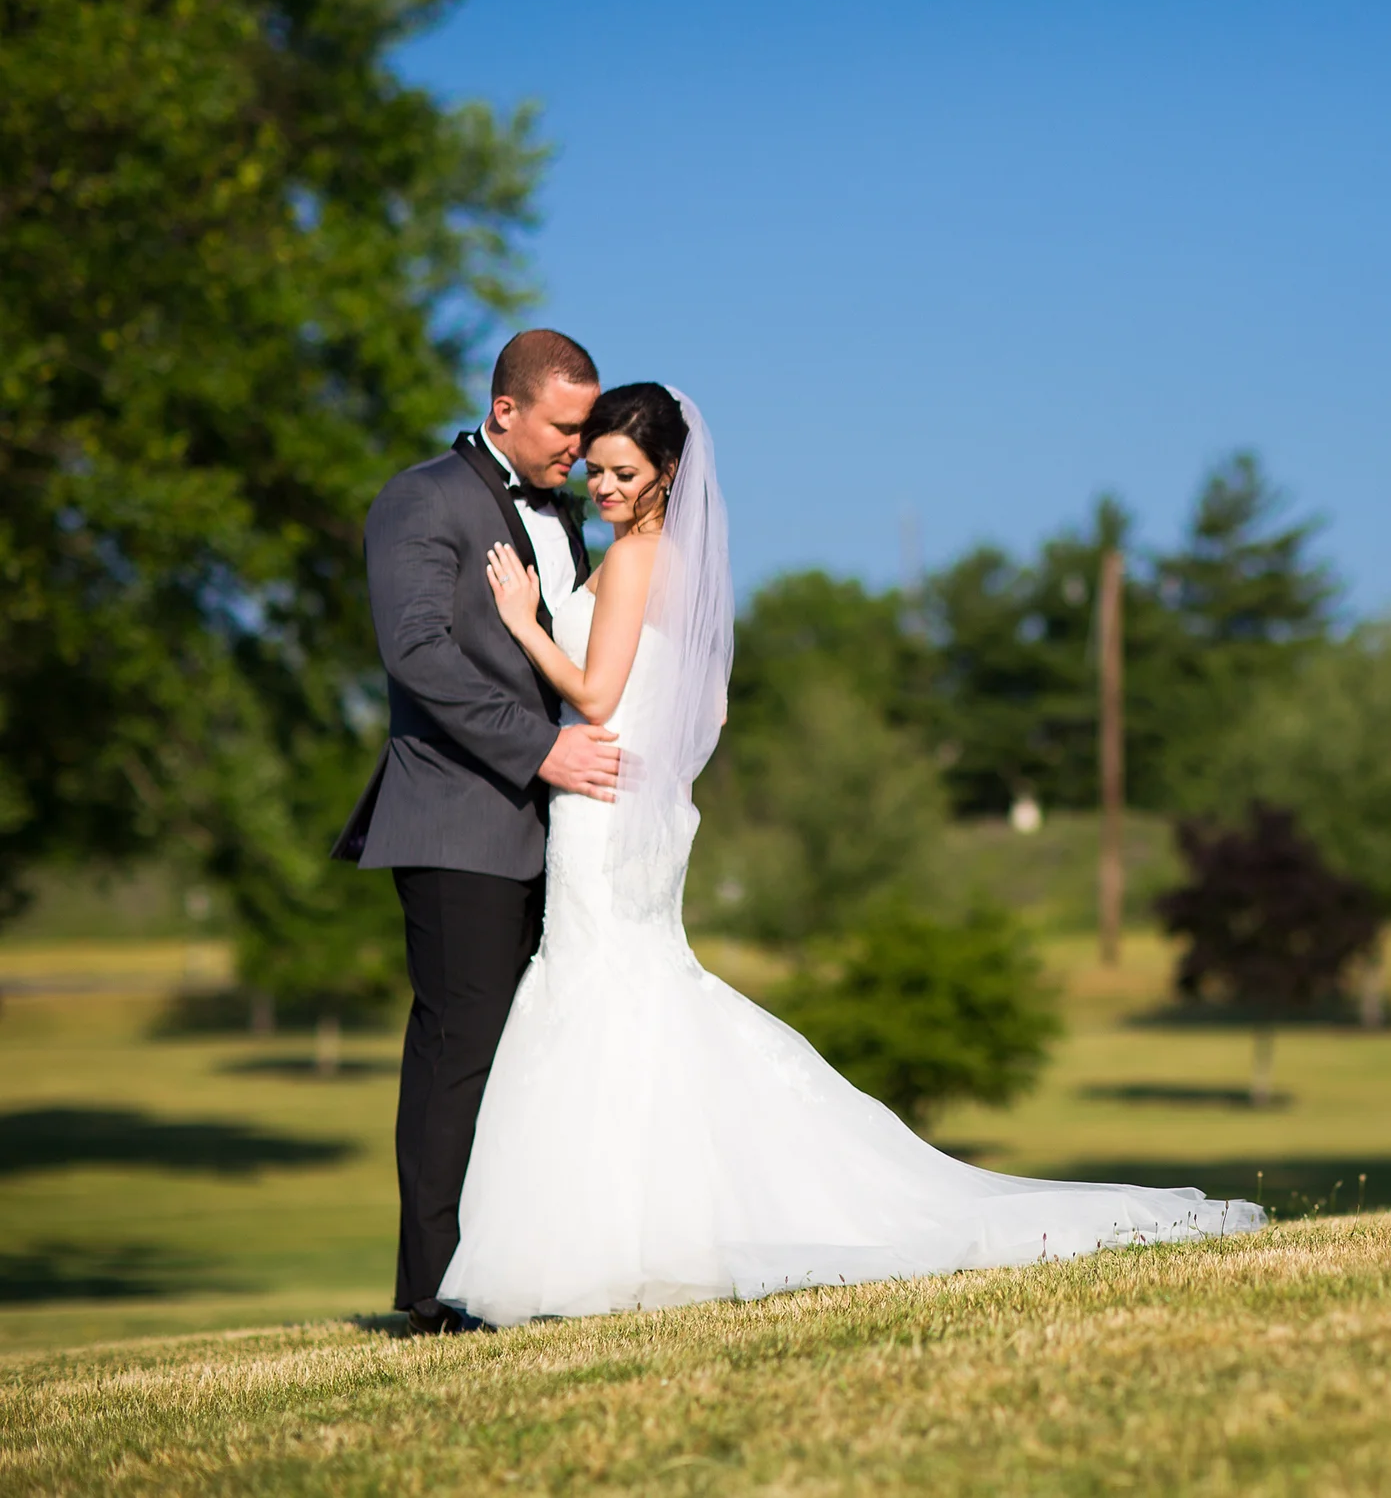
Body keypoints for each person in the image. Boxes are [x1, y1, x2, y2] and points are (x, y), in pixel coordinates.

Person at [435, 382, 1260, 1328]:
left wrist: (524, 617)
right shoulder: (684, 569)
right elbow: (710, 711)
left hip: (601, 806)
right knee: (637, 990)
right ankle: (636, 1229)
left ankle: (601, 1242)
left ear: (667, 474)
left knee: (600, 989)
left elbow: (593, 689)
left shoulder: (630, 564)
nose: (605, 486)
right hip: (636, 813)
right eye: (598, 469)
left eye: (626, 473)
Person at [332, 329, 622, 1336]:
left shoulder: (562, 512)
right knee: (461, 1051)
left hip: (554, 829)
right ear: (505, 409)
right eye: (565, 427)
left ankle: (512, 1269)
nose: (579, 451)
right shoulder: (421, 496)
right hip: (456, 817)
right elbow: (418, 654)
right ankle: (434, 1292)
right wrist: (541, 753)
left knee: (533, 1053)